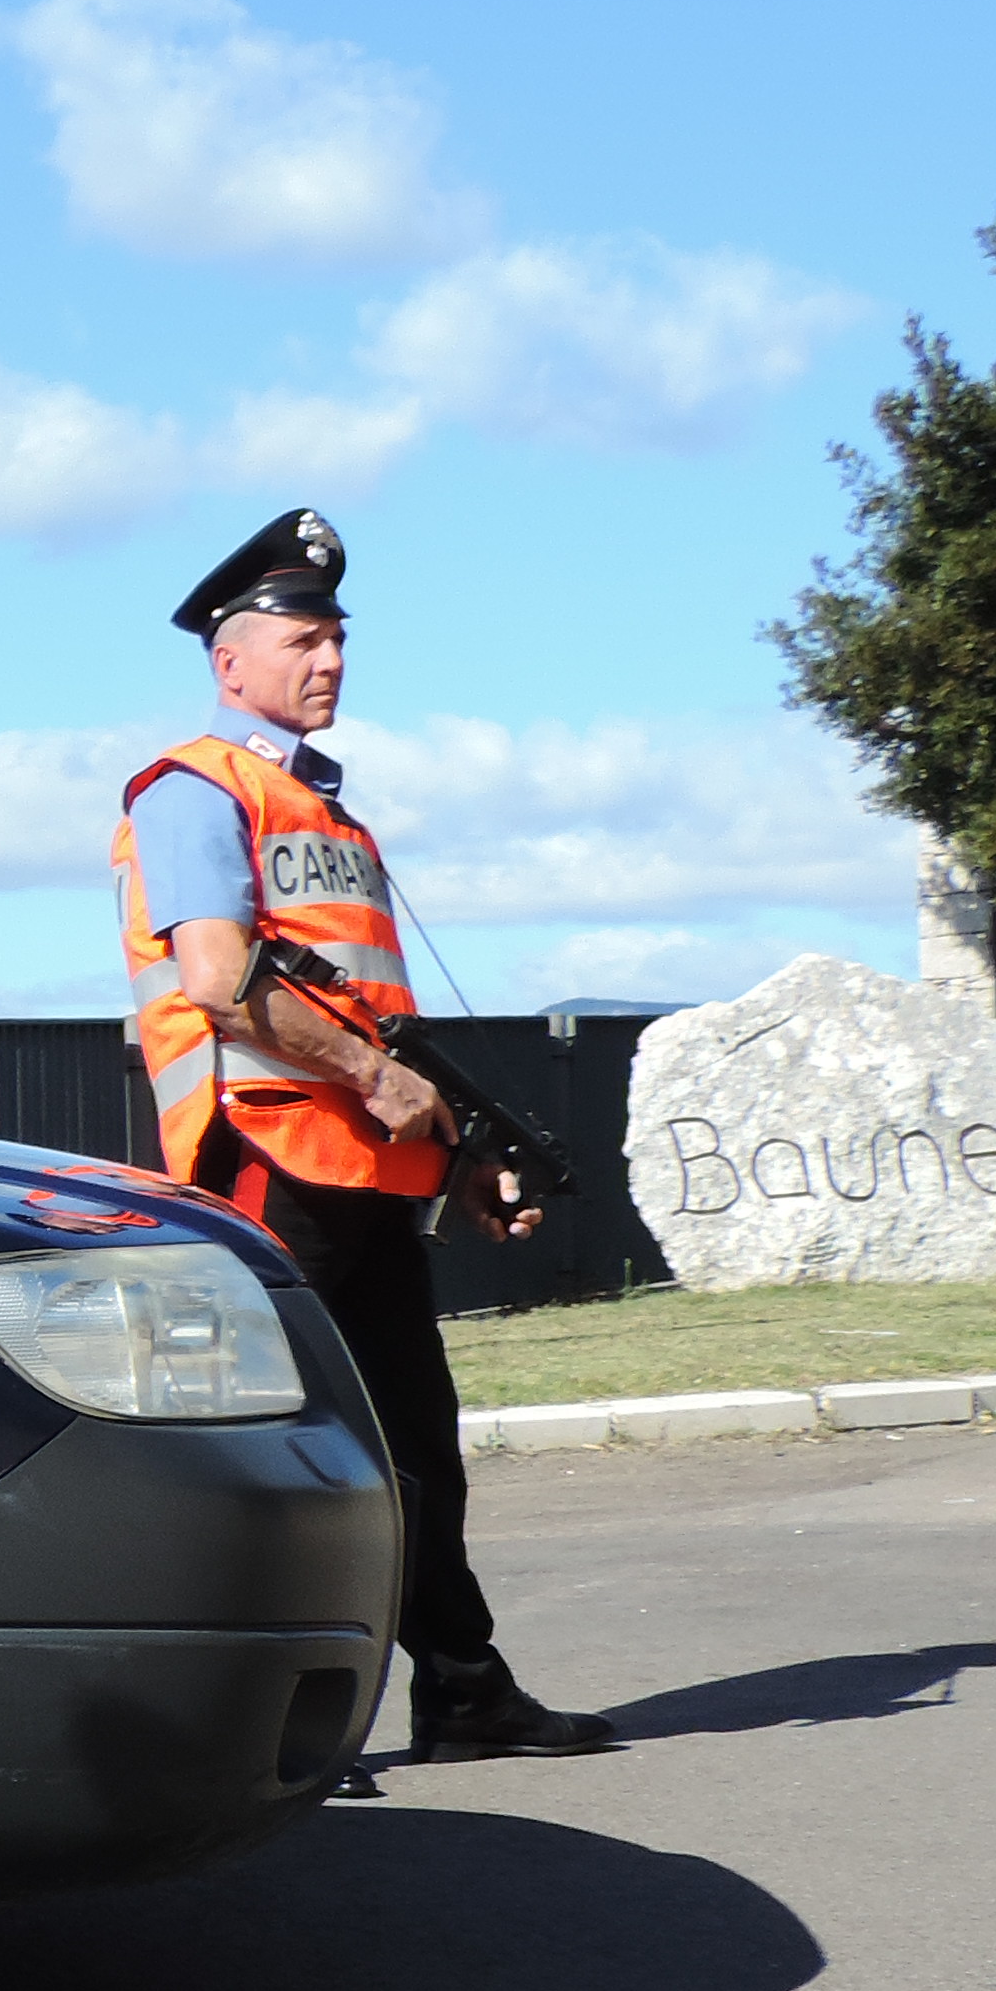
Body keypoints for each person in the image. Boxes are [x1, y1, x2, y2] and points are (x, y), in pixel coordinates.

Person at [114, 509, 621, 1783]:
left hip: (362, 1179)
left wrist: (462, 1157)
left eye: (337, 635)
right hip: (266, 1165)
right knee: (279, 1462)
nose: (331, 657)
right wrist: (373, 1077)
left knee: (414, 1455)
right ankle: (266, 1728)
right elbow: (222, 980)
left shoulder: (330, 817)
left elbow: (378, 1024)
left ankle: (463, 1693)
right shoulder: (194, 789)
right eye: (303, 637)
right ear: (230, 658)